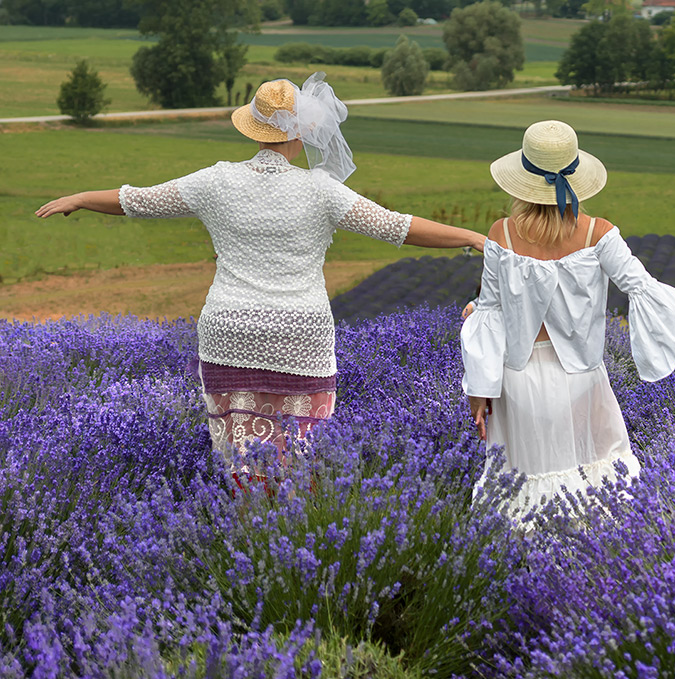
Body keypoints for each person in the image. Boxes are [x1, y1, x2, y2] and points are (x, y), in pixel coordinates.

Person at [36, 73, 486, 482]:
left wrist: (80, 197)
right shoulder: (320, 189)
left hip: (229, 333)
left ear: (251, 127)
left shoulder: (215, 181)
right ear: (303, 131)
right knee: (300, 460)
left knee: (240, 461)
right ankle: (288, 551)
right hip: (300, 335)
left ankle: (246, 543)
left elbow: (136, 200)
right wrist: (471, 236)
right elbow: (398, 227)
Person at [461, 120, 675, 517]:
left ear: (522, 179)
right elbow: (644, 289)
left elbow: (488, 312)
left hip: (517, 383)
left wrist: (478, 387)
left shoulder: (500, 234)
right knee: (599, 486)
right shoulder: (597, 234)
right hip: (582, 381)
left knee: (522, 488)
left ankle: (525, 572)